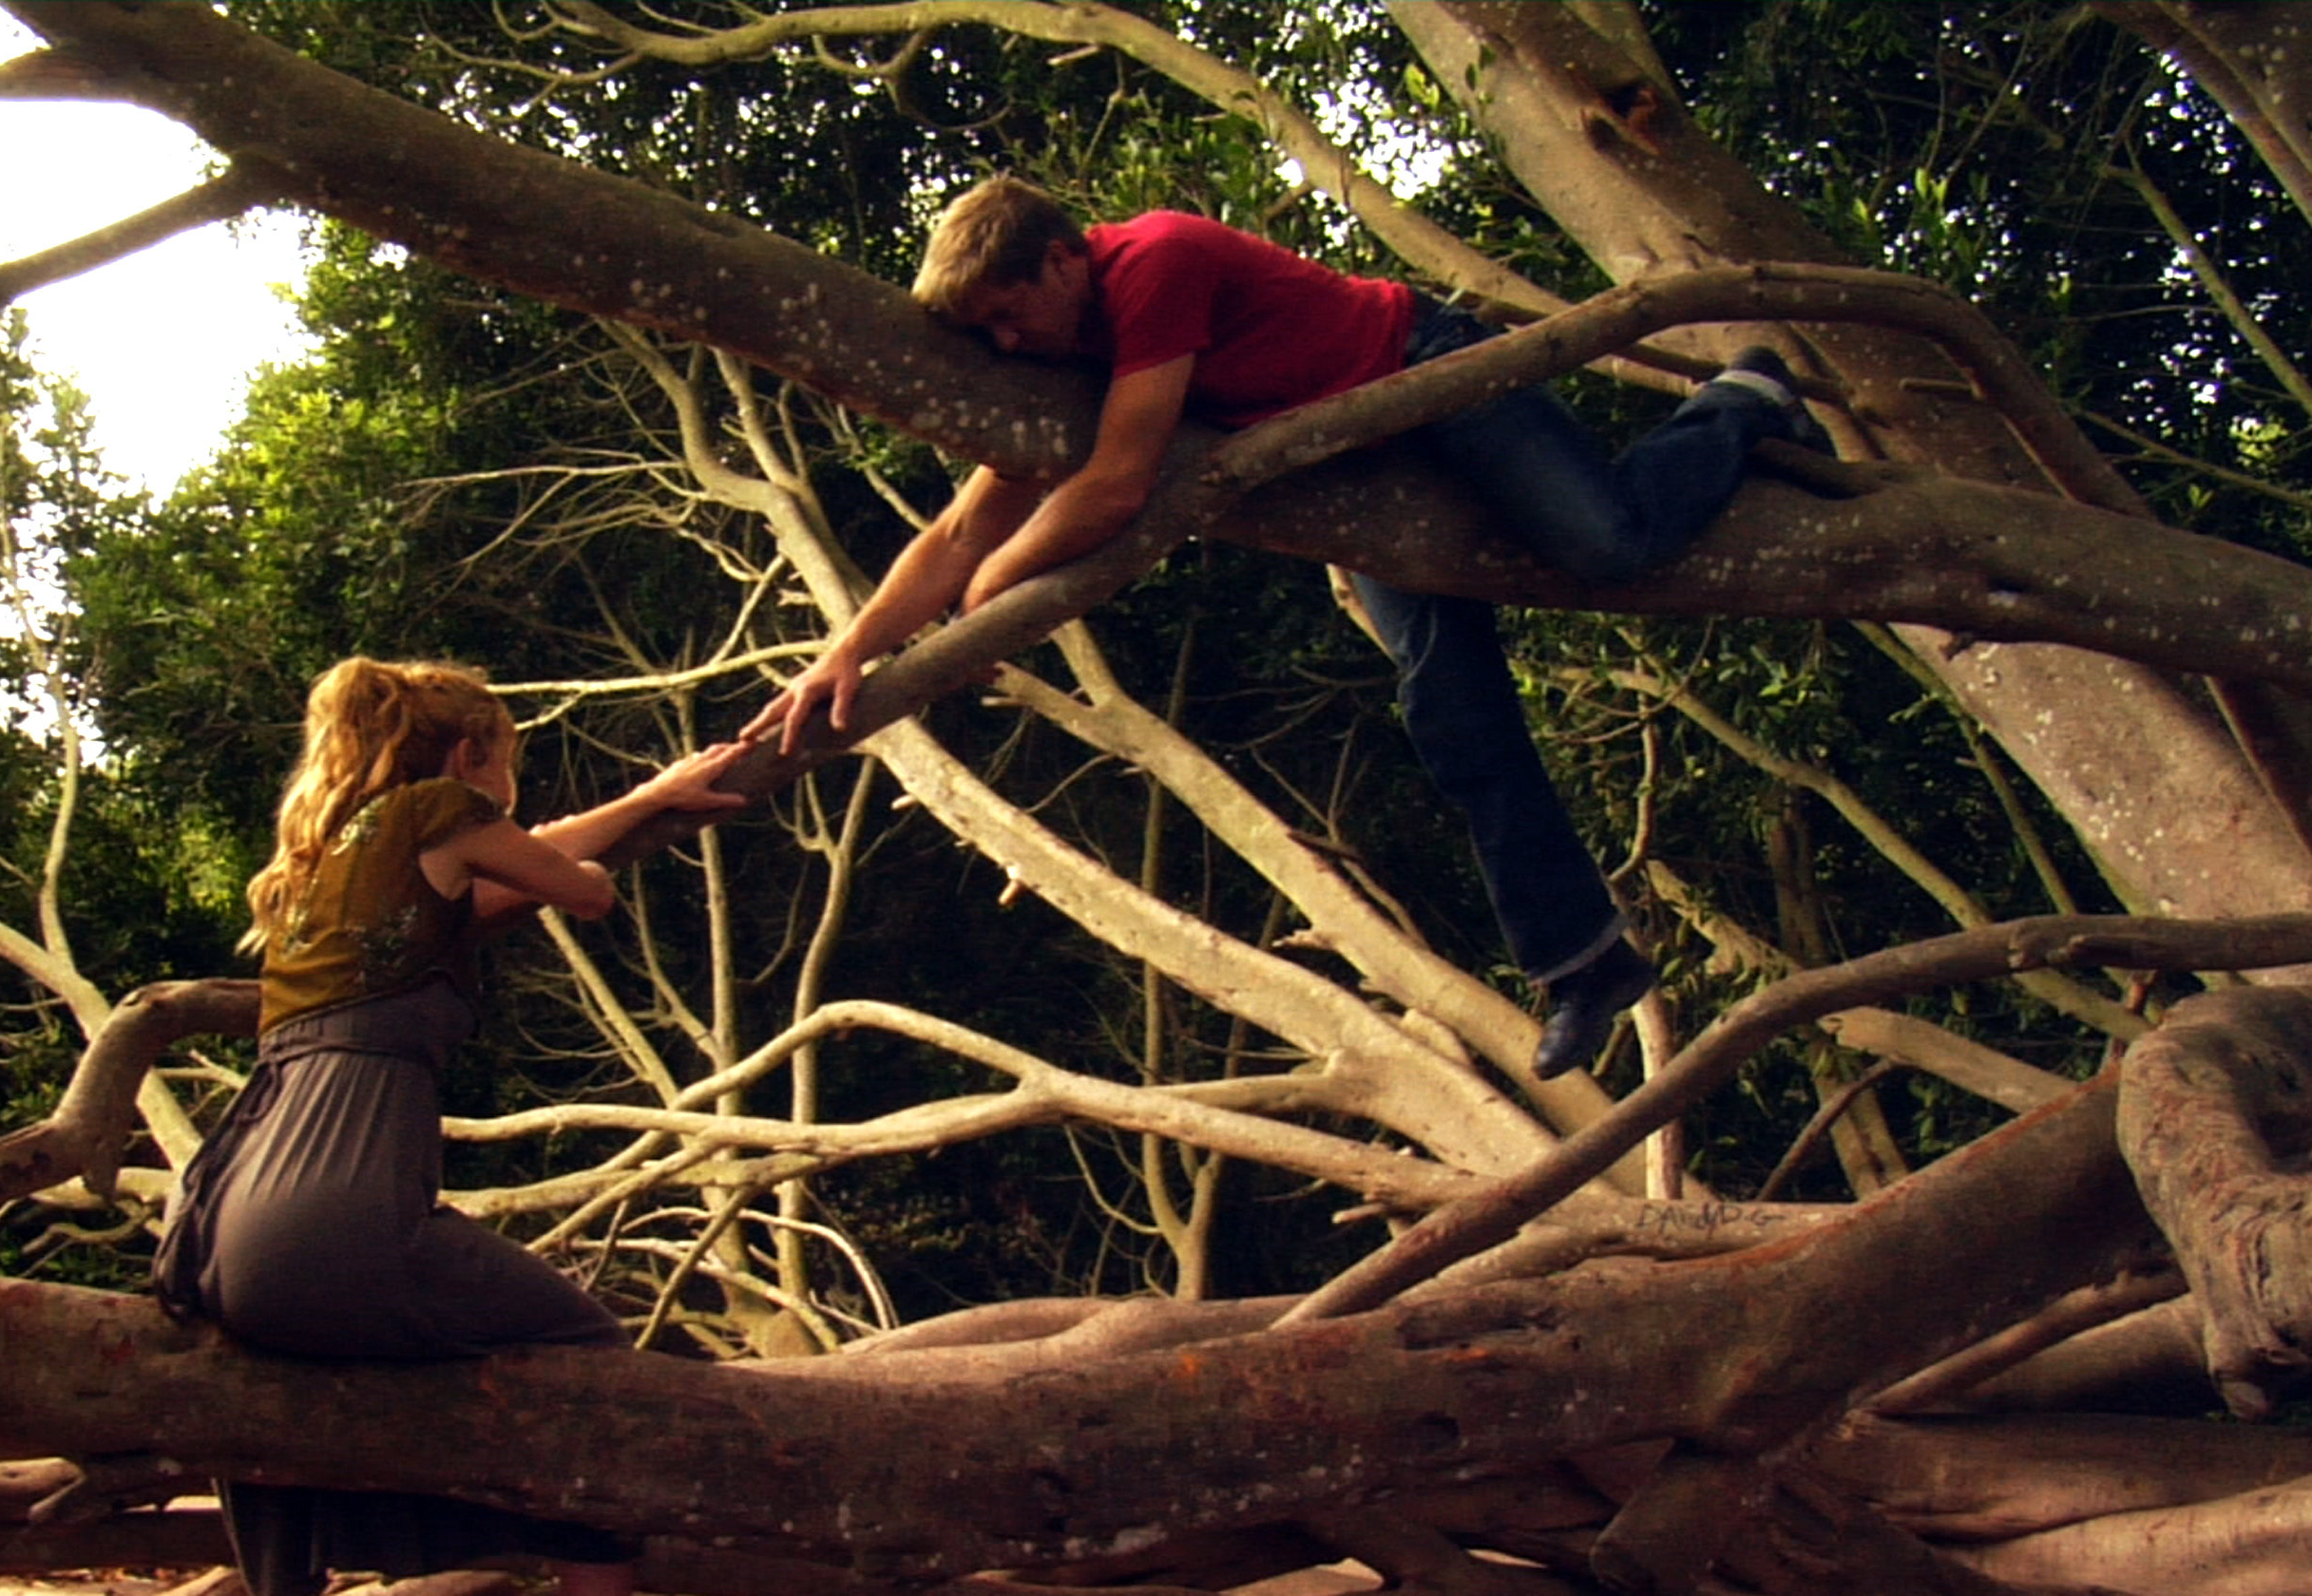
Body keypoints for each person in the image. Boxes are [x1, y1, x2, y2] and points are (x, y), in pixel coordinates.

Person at [744, 176, 1826, 1079]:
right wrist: (845, 655)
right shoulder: (1065, 349)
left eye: (1006, 311)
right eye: (985, 329)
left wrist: (992, 597)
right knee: (1453, 718)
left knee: (1608, 542)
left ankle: (1739, 401)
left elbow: (1117, 483)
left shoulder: (1154, 261)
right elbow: (960, 525)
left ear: (1064, 259)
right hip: (1361, 474)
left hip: (1424, 373)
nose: (1005, 339)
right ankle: (1584, 963)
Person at [152, 656, 748, 1596]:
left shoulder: (329, 867)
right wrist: (588, 863)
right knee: (596, 1369)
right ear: (473, 755)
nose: (516, 793)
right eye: (511, 766)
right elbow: (580, 887)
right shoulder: (440, 813)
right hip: (336, 1219)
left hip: (225, 1228)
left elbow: (508, 869)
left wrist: (652, 797)